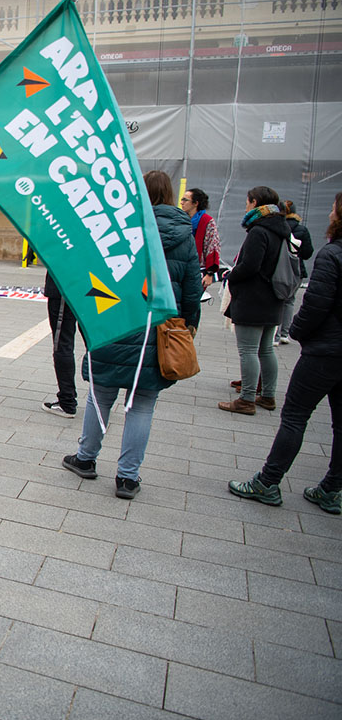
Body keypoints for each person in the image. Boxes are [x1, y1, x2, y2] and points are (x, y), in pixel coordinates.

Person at [62, 170, 202, 499]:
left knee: (101, 396)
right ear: (170, 195)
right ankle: (127, 477)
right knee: (141, 406)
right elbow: (192, 291)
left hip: (115, 323)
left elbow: (92, 278)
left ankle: (86, 458)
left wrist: (89, 322)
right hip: (160, 329)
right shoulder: (184, 234)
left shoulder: (118, 228)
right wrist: (188, 325)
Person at [228, 191, 342, 515]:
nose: (330, 212)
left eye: (334, 207)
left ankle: (268, 481)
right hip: (282, 309)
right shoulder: (284, 230)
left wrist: (301, 333)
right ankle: (332, 489)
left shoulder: (331, 254)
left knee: (294, 417)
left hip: (324, 351)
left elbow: (316, 304)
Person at [219, 186, 289, 415]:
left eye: (247, 201)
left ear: (255, 202)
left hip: (254, 298)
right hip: (273, 297)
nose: (245, 205)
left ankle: (247, 399)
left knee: (248, 350)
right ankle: (268, 395)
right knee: (265, 349)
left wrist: (231, 276)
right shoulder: (281, 228)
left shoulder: (259, 231)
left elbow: (250, 266)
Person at [42, 270, 78, 418]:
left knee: (63, 343)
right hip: (90, 283)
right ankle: (102, 396)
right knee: (94, 341)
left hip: (66, 284)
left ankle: (67, 401)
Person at [277, 199, 314, 345]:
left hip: (279, 269)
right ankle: (284, 333)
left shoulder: (279, 227)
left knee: (278, 300)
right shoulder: (302, 230)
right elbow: (307, 252)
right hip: (296, 269)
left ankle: (274, 333)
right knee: (290, 300)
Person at [180, 187, 221, 289]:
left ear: (195, 203)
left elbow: (212, 246)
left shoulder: (207, 221)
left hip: (197, 270)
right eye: (182, 199)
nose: (181, 202)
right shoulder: (180, 218)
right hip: (180, 267)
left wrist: (210, 273)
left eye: (185, 200)